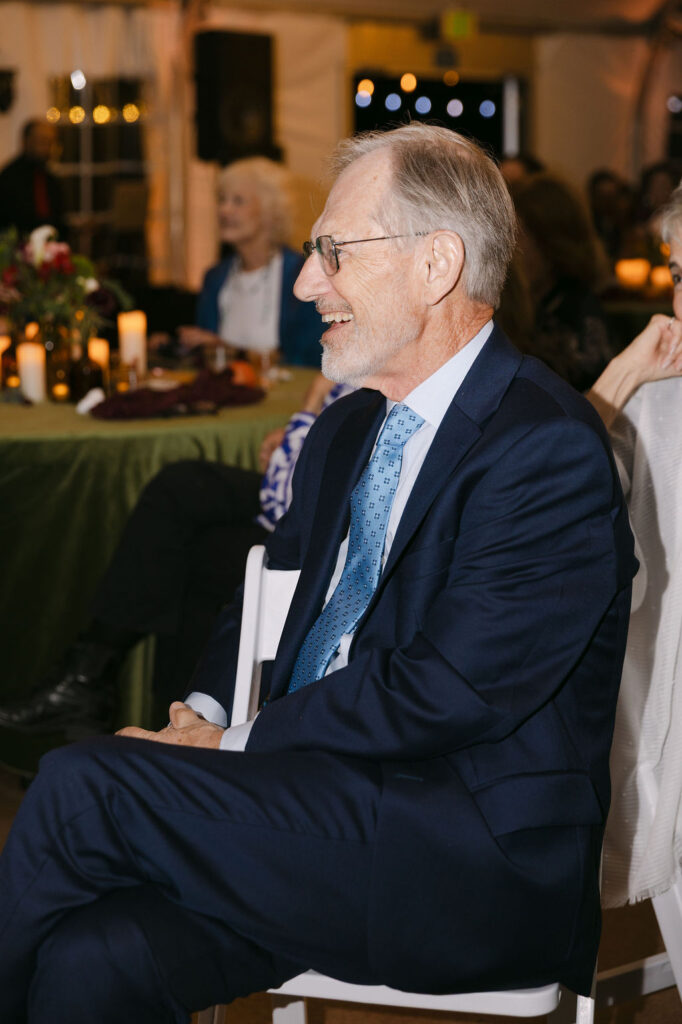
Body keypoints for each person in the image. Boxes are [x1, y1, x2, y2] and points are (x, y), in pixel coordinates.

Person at [0, 124, 637, 1023]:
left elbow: (445, 693)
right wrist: (211, 710)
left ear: (436, 265)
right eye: (311, 255)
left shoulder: (545, 448)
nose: (308, 284)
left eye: (335, 252)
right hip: (308, 818)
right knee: (89, 958)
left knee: (78, 785)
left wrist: (230, 751)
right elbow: (265, 591)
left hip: (462, 856)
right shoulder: (347, 426)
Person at [0, 373, 349, 744]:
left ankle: (137, 706)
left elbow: (287, 497)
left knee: (191, 555)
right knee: (180, 487)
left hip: (312, 530)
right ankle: (96, 675)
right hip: (296, 504)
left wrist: (307, 410)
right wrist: (296, 440)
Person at [173, 156, 322, 367]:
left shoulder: (302, 276)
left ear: (270, 211)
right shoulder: (215, 278)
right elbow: (204, 360)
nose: (224, 210)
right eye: (222, 199)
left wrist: (230, 352)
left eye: (238, 201)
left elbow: (312, 360)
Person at [512, 172, 615, 393]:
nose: (510, 252)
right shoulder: (519, 302)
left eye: (518, 236)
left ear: (550, 243)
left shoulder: (579, 313)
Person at [0, 119, 65, 238]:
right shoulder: (9, 177)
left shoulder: (51, 179)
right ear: (27, 141)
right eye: (42, 141)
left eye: (50, 142)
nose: (46, 148)